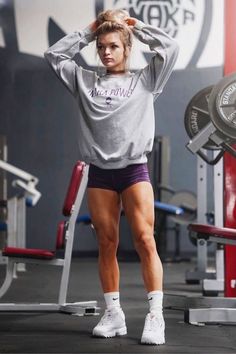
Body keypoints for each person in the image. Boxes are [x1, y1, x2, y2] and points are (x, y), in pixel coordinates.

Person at [44, 9, 179, 345]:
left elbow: (171, 48)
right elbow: (53, 54)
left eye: (114, 46)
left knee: (146, 240)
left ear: (126, 49)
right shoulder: (83, 80)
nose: (106, 51)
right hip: (101, 174)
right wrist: (91, 30)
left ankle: (155, 316)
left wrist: (135, 25)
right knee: (107, 244)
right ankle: (114, 314)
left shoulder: (146, 79)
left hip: (133, 169)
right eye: (101, 46)